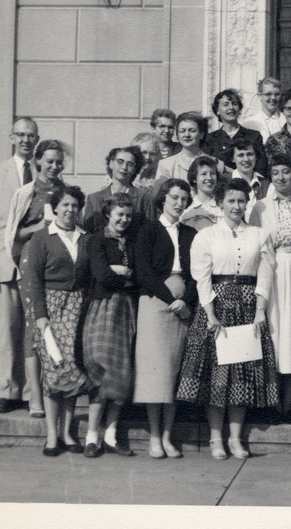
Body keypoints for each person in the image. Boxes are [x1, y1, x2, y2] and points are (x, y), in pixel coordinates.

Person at [177, 178, 279, 459]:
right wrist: (210, 313)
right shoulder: (206, 236)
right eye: (231, 201)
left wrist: (260, 311)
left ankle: (235, 438)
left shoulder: (259, 235)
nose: (236, 206)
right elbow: (202, 277)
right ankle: (215, 439)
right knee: (217, 377)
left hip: (247, 310)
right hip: (216, 309)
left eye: (241, 200)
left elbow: (266, 275)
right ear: (220, 203)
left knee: (241, 376)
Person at [0, 117, 40, 415]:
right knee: (9, 329)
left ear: (36, 139)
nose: (26, 140)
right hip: (6, 260)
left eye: (31, 135)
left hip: (38, 262)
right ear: (11, 138)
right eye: (20, 135)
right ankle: (9, 389)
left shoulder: (45, 171)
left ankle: (32, 392)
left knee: (34, 328)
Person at [24, 186, 92, 456]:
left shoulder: (86, 237)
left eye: (75, 205)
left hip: (79, 307)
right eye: (65, 205)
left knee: (73, 368)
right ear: (56, 207)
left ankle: (67, 433)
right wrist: (40, 316)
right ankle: (52, 435)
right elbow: (32, 280)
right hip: (51, 307)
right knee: (54, 368)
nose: (70, 210)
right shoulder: (42, 237)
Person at [249, 154, 291, 424]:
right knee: (275, 339)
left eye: (286, 172)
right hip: (273, 274)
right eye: (275, 172)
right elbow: (255, 247)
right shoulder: (260, 208)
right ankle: (270, 404)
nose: (281, 177)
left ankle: (288, 407)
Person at [133, 179, 197, 459]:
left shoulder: (190, 233)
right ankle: (155, 438)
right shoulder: (147, 229)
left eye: (184, 198)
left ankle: (169, 437)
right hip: (155, 305)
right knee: (155, 376)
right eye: (174, 197)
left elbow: (197, 273)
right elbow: (144, 272)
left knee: (174, 374)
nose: (179, 203)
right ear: (163, 199)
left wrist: (187, 302)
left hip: (182, 310)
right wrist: (172, 301)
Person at [5, 138, 68, 419]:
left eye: (59, 162)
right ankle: (35, 396)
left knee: (57, 327)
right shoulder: (25, 193)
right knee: (34, 327)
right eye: (50, 161)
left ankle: (56, 389)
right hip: (31, 264)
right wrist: (37, 227)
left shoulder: (66, 192)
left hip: (58, 266)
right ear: (38, 161)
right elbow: (13, 234)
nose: (54, 166)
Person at [82, 194, 139, 458]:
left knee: (121, 372)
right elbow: (101, 276)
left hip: (126, 310)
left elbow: (138, 277)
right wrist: (119, 273)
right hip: (103, 307)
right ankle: (91, 438)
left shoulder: (133, 241)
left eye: (128, 215)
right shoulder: (97, 239)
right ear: (108, 213)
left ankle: (111, 436)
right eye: (119, 214)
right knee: (100, 367)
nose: (124, 219)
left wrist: (122, 273)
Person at [83, 145, 155, 236]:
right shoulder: (93, 199)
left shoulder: (145, 199)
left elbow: (150, 234)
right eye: (120, 162)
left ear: (134, 170)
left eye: (130, 164)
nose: (124, 167)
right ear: (111, 163)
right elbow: (87, 236)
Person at [204, 89, 267, 176]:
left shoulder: (254, 136)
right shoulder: (209, 139)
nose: (231, 108)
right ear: (217, 110)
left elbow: (261, 169)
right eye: (226, 104)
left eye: (234, 104)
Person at [156, 111, 224, 184]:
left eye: (192, 131)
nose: (187, 135)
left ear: (201, 134)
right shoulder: (166, 165)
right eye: (182, 131)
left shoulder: (217, 164)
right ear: (177, 135)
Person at [180, 155, 224, 232]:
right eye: (204, 174)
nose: (209, 178)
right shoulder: (186, 208)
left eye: (213, 173)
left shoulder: (223, 207)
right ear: (194, 178)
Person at [229, 138, 269, 220]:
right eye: (240, 155)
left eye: (250, 154)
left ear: (256, 157)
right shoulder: (225, 181)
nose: (246, 159)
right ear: (232, 159)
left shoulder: (265, 184)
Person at [241, 77, 287, 144]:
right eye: (268, 94)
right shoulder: (249, 123)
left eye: (277, 94)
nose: (273, 98)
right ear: (259, 96)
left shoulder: (287, 121)